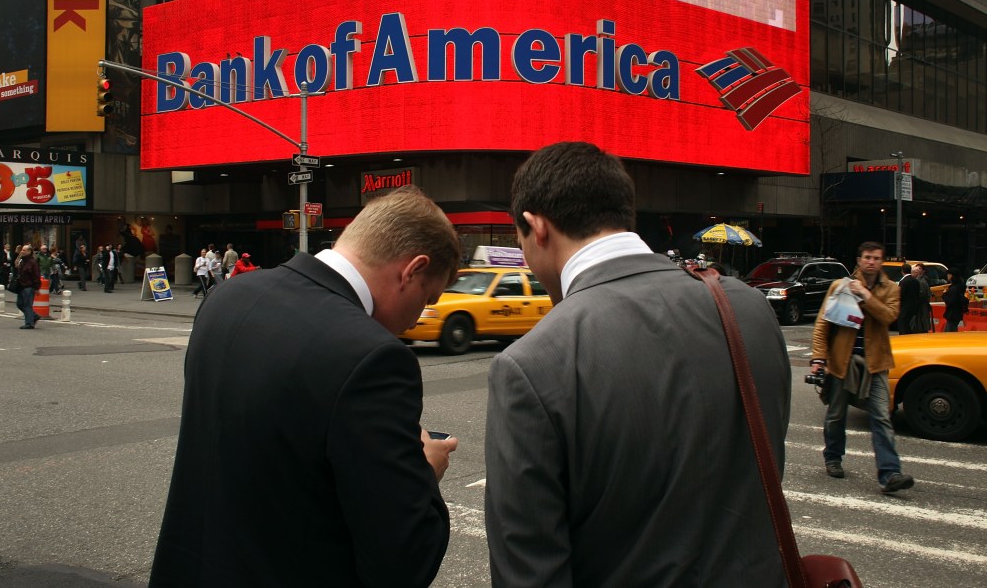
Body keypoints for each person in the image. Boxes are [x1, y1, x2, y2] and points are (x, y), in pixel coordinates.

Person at [483, 142, 792, 586]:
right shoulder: (749, 307)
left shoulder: (532, 364)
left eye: (521, 241)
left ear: (537, 227)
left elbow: (528, 572)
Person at [149, 186, 461, 586]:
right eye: (426, 298)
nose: (417, 318)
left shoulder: (227, 298)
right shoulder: (373, 356)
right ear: (412, 270)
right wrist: (422, 471)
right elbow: (401, 558)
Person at [811, 241, 914, 494]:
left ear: (881, 262)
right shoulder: (840, 286)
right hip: (841, 361)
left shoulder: (890, 288)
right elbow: (823, 324)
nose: (871, 262)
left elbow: (889, 316)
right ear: (859, 260)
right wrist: (818, 358)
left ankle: (890, 474)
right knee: (836, 415)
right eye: (867, 257)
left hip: (876, 363)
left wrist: (866, 296)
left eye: (876, 258)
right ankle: (833, 457)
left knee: (881, 417)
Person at [14, 244, 42, 329]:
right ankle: (34, 316)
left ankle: (29, 323)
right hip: (21, 286)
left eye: (24, 250)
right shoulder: (22, 260)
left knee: (27, 305)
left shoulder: (32, 262)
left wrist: (37, 287)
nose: (22, 251)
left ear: (29, 251)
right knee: (20, 304)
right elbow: (16, 267)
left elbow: (36, 275)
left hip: (29, 286)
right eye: (22, 250)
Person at [897, 262, 918, 334]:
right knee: (907, 323)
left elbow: (900, 294)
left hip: (904, 306)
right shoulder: (915, 281)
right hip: (913, 306)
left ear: (902, 271)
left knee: (902, 323)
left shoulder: (903, 281)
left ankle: (903, 338)